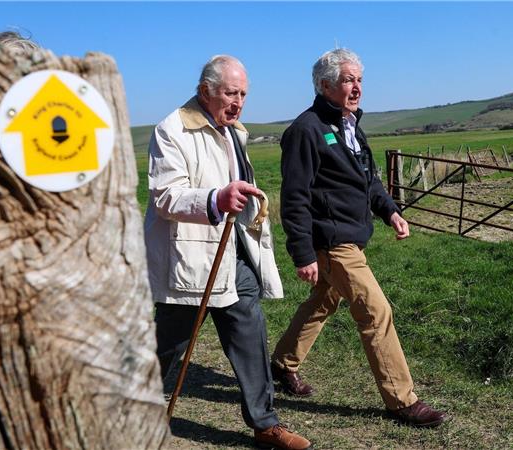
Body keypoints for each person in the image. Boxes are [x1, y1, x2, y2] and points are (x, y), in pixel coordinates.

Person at [270, 48, 447, 428]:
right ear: (325, 85)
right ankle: (401, 400)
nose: (357, 88)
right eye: (348, 80)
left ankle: (282, 364)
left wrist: (390, 211)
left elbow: (369, 181)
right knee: (376, 309)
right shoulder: (306, 130)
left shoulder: (350, 125)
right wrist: (303, 253)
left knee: (323, 302)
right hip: (333, 240)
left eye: (359, 80)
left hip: (352, 234)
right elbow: (295, 196)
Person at [144, 55, 312, 450]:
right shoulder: (172, 130)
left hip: (232, 256)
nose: (238, 102)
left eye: (243, 94)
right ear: (205, 91)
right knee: (167, 346)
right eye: (230, 93)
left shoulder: (234, 130)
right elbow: (166, 197)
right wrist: (216, 198)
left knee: (251, 340)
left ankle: (265, 424)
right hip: (189, 262)